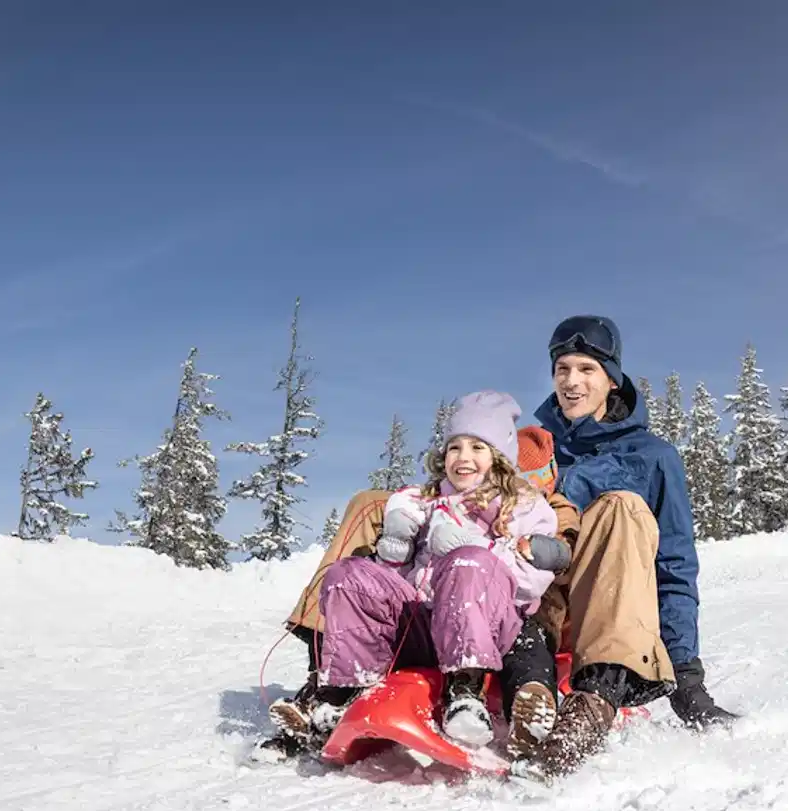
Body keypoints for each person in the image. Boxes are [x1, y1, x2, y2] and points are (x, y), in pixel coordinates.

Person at [259, 392, 567, 756]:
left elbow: (530, 583)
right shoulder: (425, 500)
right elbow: (396, 585)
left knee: (466, 563)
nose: (463, 457)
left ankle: (465, 693)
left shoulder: (524, 507)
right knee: (349, 576)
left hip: (489, 627)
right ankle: (341, 695)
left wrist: (477, 549)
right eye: (455, 447)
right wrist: (394, 551)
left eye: (477, 448)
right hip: (423, 625)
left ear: (499, 457)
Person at [523, 314, 737, 778]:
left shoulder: (652, 457)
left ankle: (595, 700)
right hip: (533, 611)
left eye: (587, 369)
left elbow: (674, 565)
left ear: (612, 380)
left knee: (621, 507)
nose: (572, 382)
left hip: (604, 617)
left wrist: (686, 675)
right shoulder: (534, 450)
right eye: (562, 370)